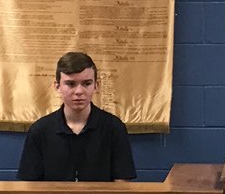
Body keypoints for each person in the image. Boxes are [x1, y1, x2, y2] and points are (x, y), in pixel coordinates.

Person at [17, 51, 136, 182]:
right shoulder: (40, 130)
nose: (79, 91)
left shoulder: (114, 128)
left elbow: (122, 184)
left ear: (96, 86)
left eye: (86, 83)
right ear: (57, 86)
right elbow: (29, 185)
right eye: (71, 84)